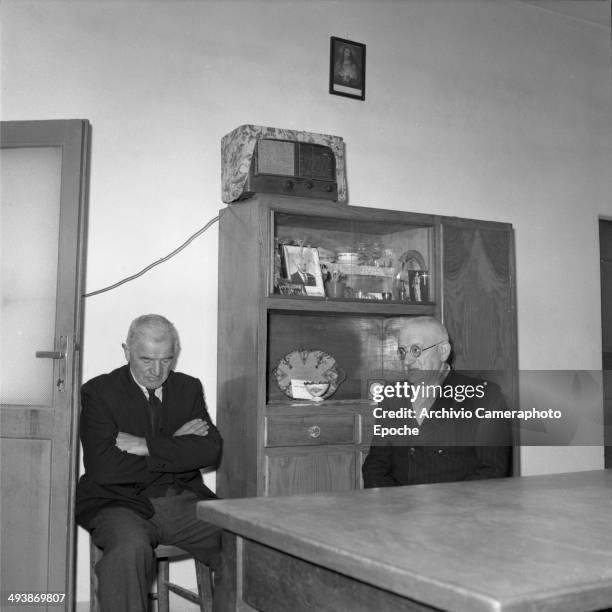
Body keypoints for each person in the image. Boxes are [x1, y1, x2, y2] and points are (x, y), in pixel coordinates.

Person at [76, 314, 222, 612]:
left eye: (167, 360)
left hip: (180, 501)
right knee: (129, 550)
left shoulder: (187, 388)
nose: (157, 371)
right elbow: (104, 467)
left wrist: (146, 446)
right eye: (146, 359)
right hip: (118, 503)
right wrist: (176, 444)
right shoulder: (99, 392)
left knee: (245, 539)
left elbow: (209, 450)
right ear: (126, 351)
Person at [362, 316, 511, 487]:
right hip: (400, 507)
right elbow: (375, 466)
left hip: (458, 509)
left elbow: (493, 471)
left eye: (416, 350)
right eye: (403, 351)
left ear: (442, 351)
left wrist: (443, 508)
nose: (408, 361)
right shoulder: (393, 396)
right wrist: (397, 506)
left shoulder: (485, 396)